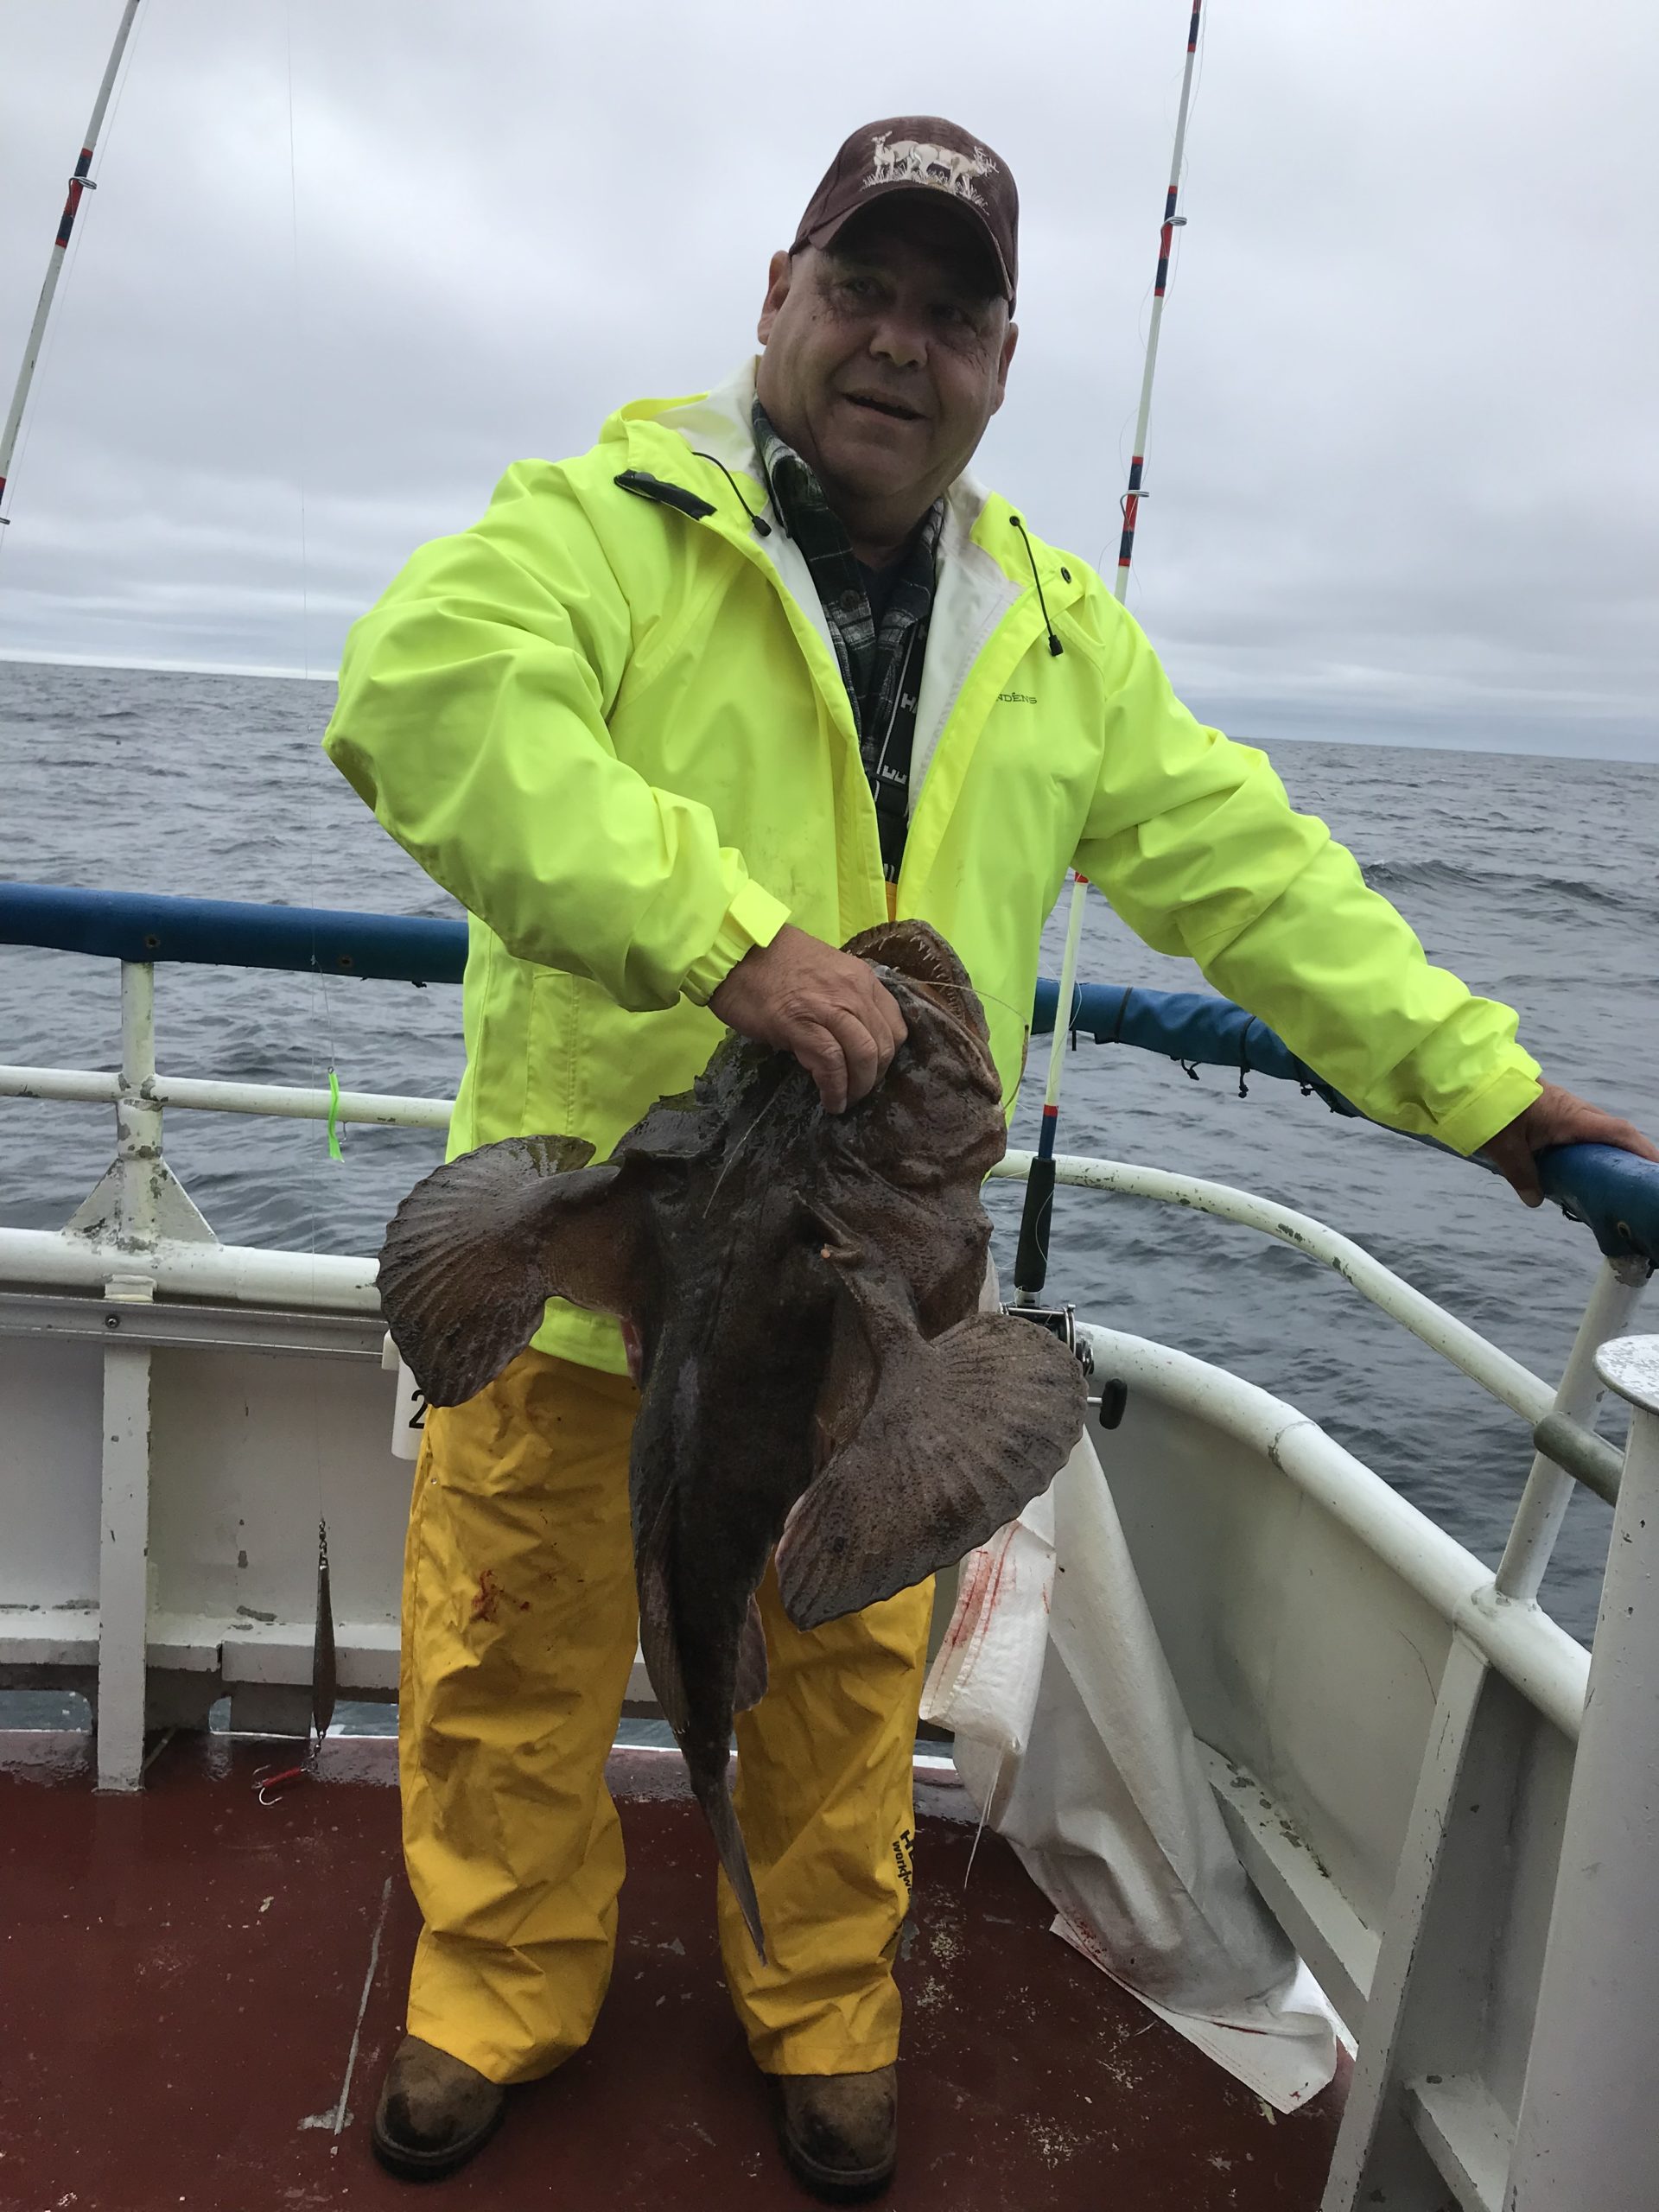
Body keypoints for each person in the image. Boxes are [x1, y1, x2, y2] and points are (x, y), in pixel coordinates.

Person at [322, 113, 1656, 2201]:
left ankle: (819, 1994)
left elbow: (1250, 872)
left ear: (1005, 362)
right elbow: (425, 701)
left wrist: (1476, 1083)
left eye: (950, 314)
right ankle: (499, 1985)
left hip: (879, 1311)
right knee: (515, 1660)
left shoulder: (1055, 627)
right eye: (861, 289)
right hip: (616, 1272)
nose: (896, 344)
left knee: (850, 1684)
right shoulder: (597, 525)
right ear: (775, 296)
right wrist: (732, 943)